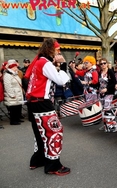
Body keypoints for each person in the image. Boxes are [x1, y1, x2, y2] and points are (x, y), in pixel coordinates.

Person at [25, 38, 70, 175]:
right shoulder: (45, 63)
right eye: (57, 50)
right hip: (42, 103)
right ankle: (53, 165)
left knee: (40, 133)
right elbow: (61, 80)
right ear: (51, 50)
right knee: (54, 132)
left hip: (33, 103)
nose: (59, 52)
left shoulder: (39, 62)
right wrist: (62, 65)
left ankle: (38, 160)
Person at [3, 59, 24, 125]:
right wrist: (12, 94)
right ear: (11, 67)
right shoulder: (7, 75)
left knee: (17, 107)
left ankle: (17, 119)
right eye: (15, 67)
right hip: (13, 94)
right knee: (13, 108)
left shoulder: (15, 74)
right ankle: (13, 121)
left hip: (17, 93)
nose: (16, 68)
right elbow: (7, 86)